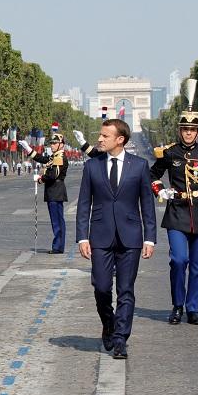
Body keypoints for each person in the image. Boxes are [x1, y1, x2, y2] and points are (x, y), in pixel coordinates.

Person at [75, 119, 157, 360]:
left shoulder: (140, 166)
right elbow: (83, 204)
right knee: (101, 287)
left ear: (120, 139)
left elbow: (147, 204)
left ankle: (121, 338)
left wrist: (150, 238)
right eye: (100, 135)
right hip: (100, 236)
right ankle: (108, 323)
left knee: (126, 290)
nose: (99, 139)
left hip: (130, 236)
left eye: (104, 136)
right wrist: (82, 237)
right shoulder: (92, 166)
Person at [149, 83, 198, 325]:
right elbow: (152, 175)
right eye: (185, 129)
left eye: (192, 129)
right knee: (179, 260)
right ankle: (177, 305)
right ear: (179, 130)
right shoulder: (169, 153)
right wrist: (161, 190)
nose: (188, 133)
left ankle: (193, 309)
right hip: (177, 213)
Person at [21, 133, 69, 254]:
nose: (52, 145)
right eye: (51, 143)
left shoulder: (59, 156)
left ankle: (58, 247)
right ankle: (58, 246)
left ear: (61, 145)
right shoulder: (54, 157)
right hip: (54, 191)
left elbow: (53, 175)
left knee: (57, 221)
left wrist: (40, 179)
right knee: (56, 220)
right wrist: (28, 149)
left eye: (54, 143)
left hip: (56, 191)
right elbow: (41, 159)